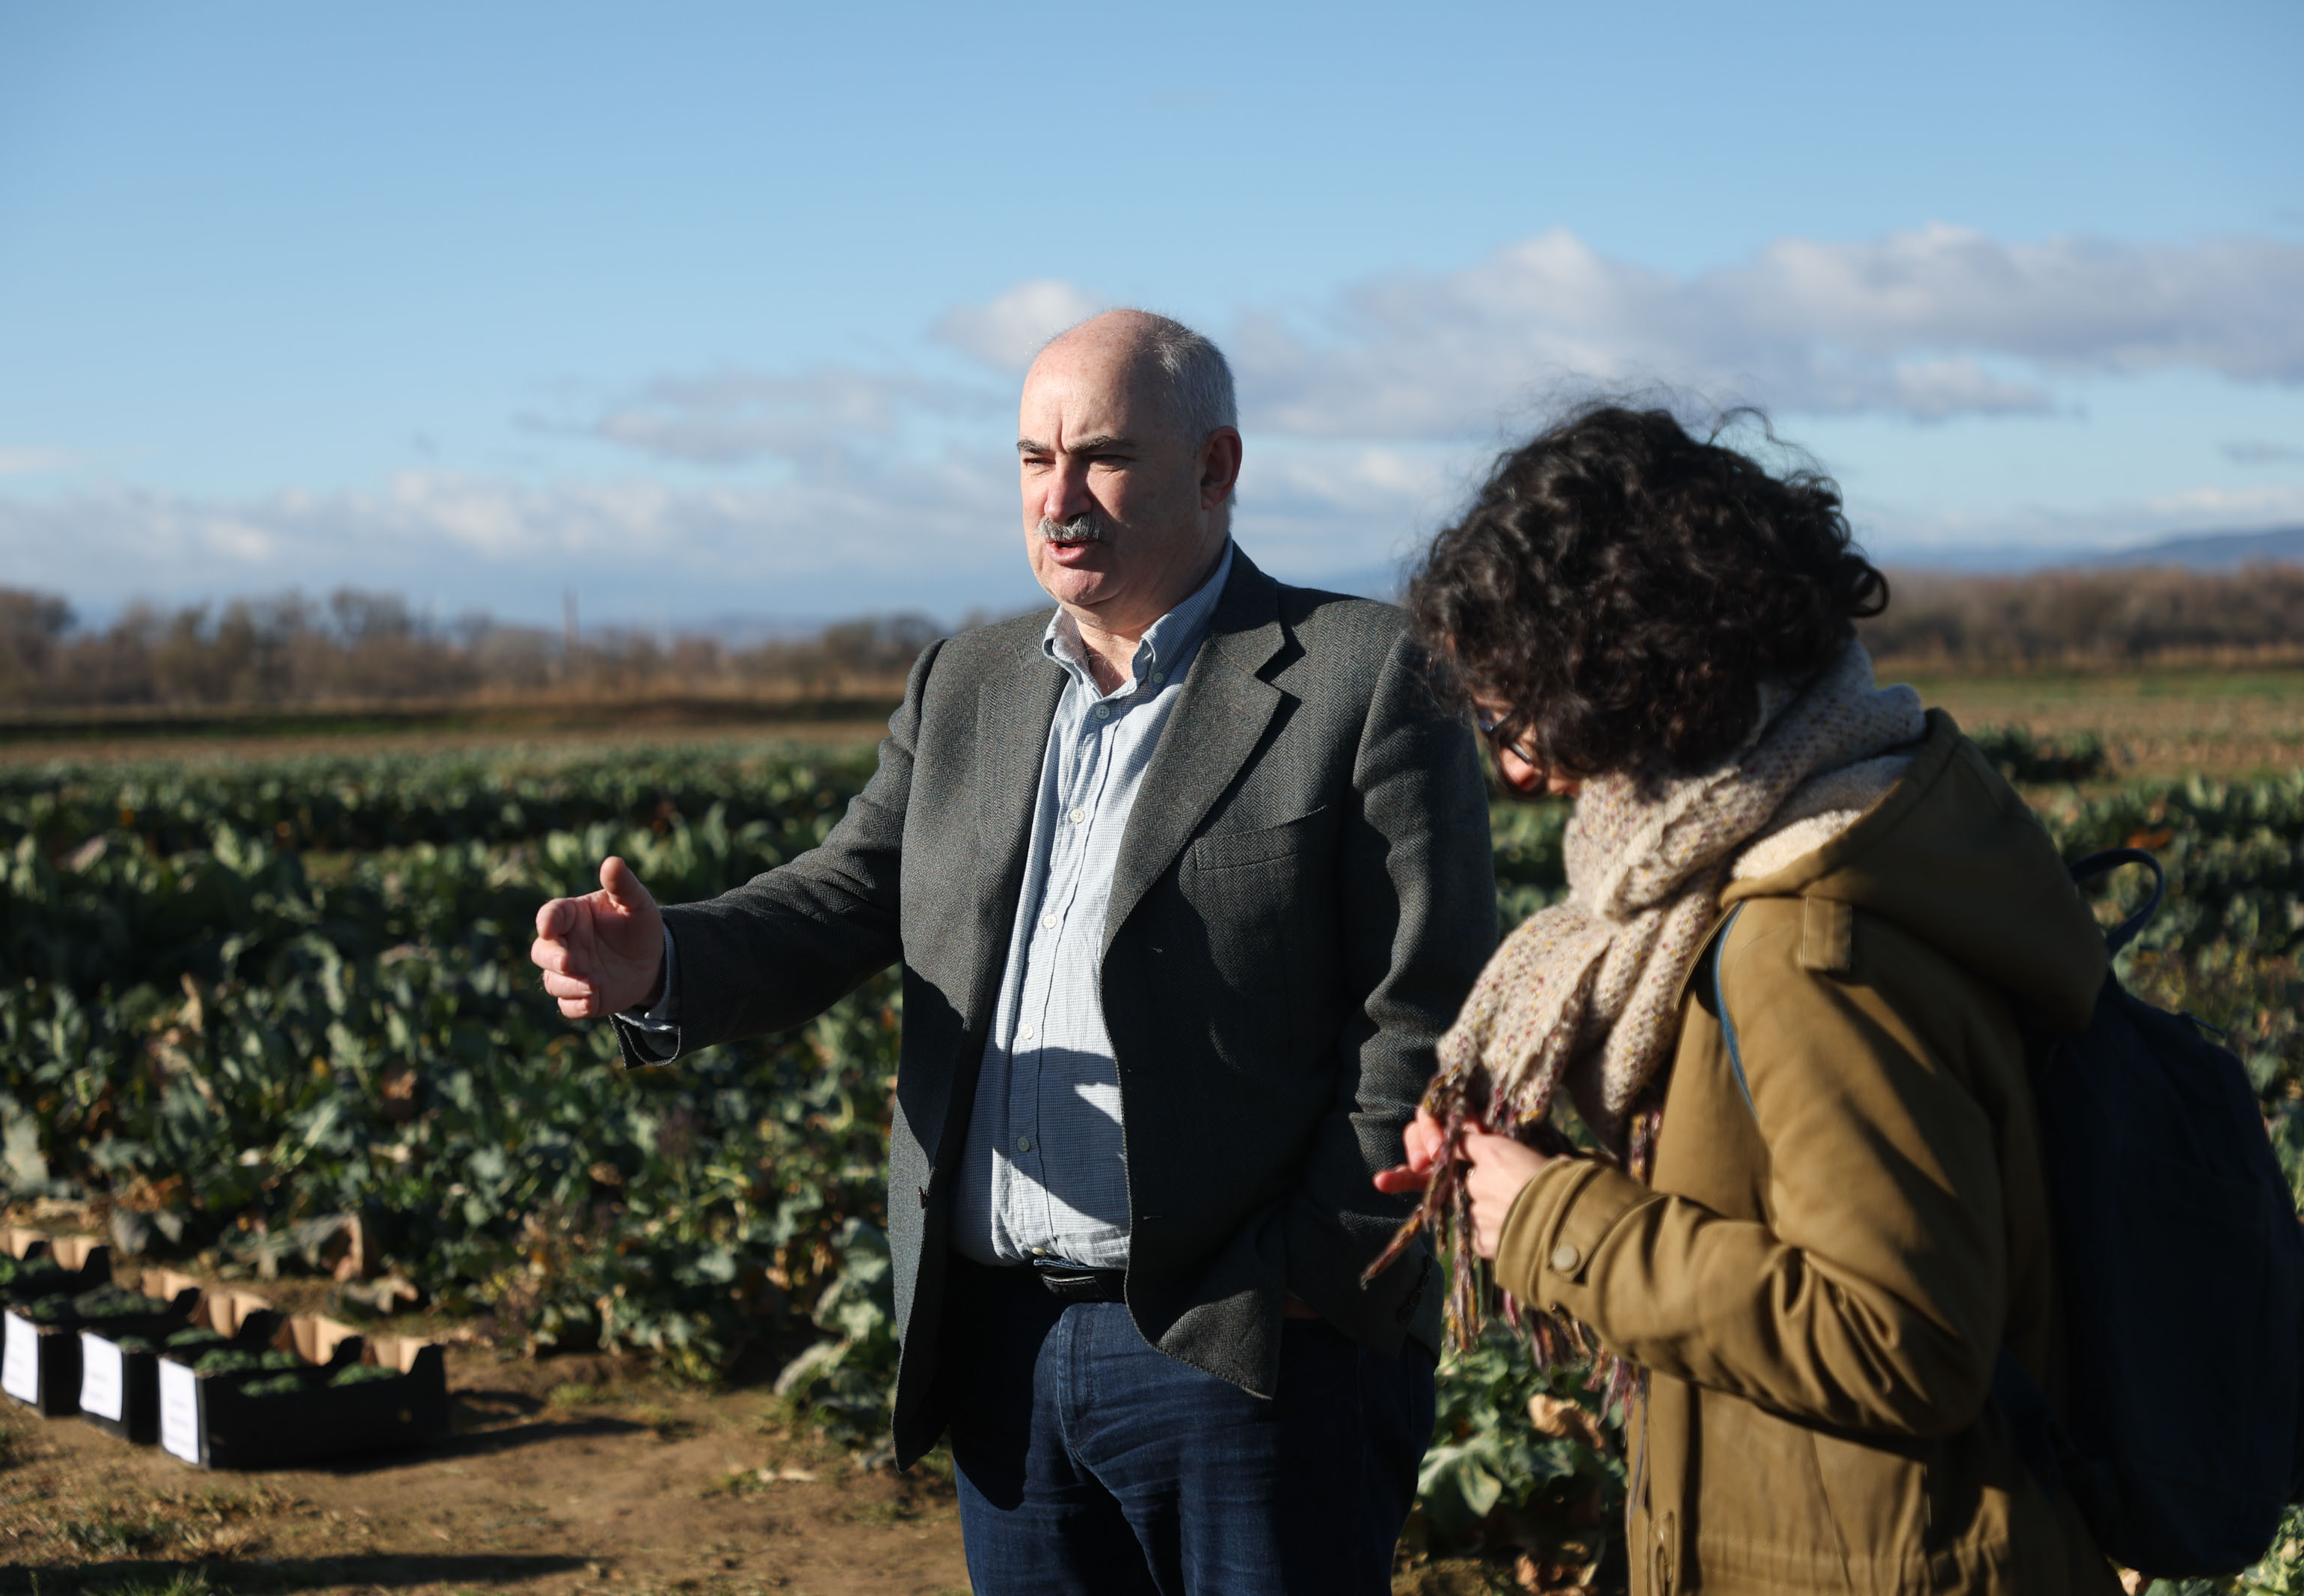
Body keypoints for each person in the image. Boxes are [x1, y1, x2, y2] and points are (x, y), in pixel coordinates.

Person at [529, 310, 1497, 1595]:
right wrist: (663, 965)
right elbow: (841, 896)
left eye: (1102, 457)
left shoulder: (1358, 675)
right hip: (1002, 1346)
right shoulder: (967, 684)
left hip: (1247, 1349)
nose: (1061, 498)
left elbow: (1423, 1004)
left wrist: (1315, 1278)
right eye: (1034, 459)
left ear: (1217, 468)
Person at [1377, 405, 2118, 1595]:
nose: (1512, 766)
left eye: (1514, 714)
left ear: (1624, 668)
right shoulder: (1844, 827)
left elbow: (1903, 1337)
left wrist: (1558, 1219)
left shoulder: (1803, 934)